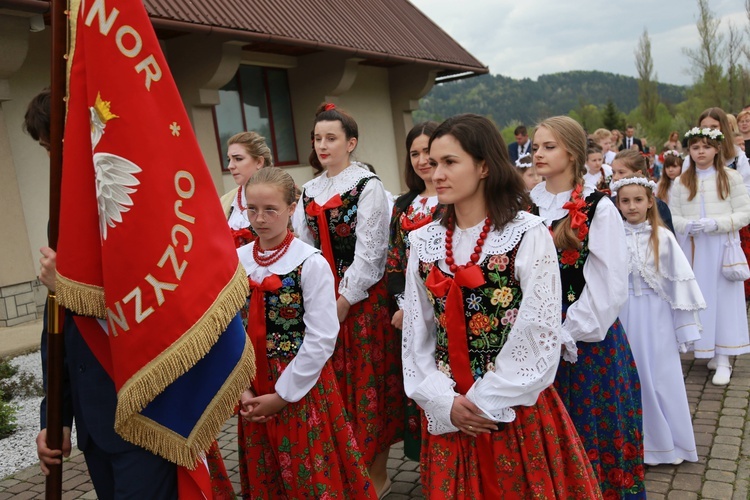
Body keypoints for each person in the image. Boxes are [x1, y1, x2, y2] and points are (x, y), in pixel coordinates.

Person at [402, 113, 602, 498]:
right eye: (431, 160)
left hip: (511, 407)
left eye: (449, 162)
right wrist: (443, 401)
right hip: (449, 406)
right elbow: (416, 333)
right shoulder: (424, 241)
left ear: (483, 166)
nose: (434, 170)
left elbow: (538, 331)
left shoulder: (526, 234)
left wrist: (481, 401)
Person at [26, 89, 182, 499]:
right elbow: (58, 325)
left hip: (145, 412)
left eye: (55, 148)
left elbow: (155, 309)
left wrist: (70, 289)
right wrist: (55, 416)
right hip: (95, 420)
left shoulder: (142, 211)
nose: (52, 162)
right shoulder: (61, 217)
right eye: (45, 150)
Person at [236, 167, 376, 499]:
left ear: (290, 208)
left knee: (308, 472)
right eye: (252, 209)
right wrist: (241, 387)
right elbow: (228, 328)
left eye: (270, 209)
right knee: (267, 474)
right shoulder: (237, 260)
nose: (260, 218)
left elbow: (322, 336)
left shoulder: (309, 262)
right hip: (252, 381)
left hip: (299, 384)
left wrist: (283, 395)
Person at [530, 116, 645, 498]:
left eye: (549, 146)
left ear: (573, 152)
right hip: (530, 337)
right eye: (535, 146)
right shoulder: (526, 207)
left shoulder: (599, 207)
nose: (539, 153)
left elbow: (610, 286)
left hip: (584, 345)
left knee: (589, 430)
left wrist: (566, 333)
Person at [292, 103, 401, 498]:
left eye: (331, 138)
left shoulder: (367, 185)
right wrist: (313, 302)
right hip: (322, 302)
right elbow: (304, 251)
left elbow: (371, 254)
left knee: (367, 386)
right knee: (334, 388)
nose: (322, 144)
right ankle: (344, 469)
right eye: (317, 138)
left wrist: (342, 301)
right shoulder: (308, 190)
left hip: (361, 304)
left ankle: (377, 473)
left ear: (350, 143)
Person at [614, 174, 704, 466]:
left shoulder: (662, 237)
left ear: (650, 201)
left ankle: (668, 443)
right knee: (631, 378)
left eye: (638, 200)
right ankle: (634, 444)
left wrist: (684, 326)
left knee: (660, 378)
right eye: (625, 201)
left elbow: (679, 283)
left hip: (657, 317)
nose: (631, 206)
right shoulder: (610, 238)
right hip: (623, 316)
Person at [669, 127, 750, 386]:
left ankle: (724, 356)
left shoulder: (730, 178)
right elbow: (673, 215)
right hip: (694, 248)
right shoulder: (682, 182)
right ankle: (705, 349)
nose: (700, 152)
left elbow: (744, 212)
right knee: (698, 299)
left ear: (716, 149)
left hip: (722, 246)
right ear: (689, 152)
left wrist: (717, 223)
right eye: (695, 148)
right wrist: (686, 225)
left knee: (724, 300)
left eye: (705, 147)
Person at [385, 121, 441, 462]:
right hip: (408, 309)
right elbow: (394, 261)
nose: (422, 160)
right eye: (415, 153)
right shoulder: (404, 203)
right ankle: (430, 465)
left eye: (428, 152)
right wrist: (405, 305)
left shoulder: (456, 198)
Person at [219, 131, 273, 248]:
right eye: (229, 160)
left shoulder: (282, 195)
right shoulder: (225, 201)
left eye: (238, 159)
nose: (230, 166)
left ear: (259, 162)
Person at [611, 149, 675, 234]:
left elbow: (668, 241)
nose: (615, 177)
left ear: (638, 174)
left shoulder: (659, 206)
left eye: (621, 172)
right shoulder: (610, 204)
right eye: (614, 172)